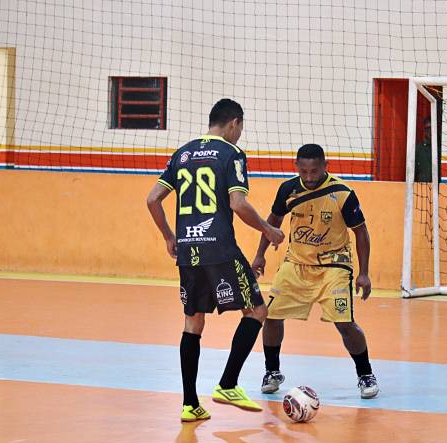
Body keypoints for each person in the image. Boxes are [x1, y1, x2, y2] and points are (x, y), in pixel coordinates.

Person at [146, 98, 285, 422]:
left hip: (189, 252)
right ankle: (227, 383)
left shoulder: (182, 153)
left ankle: (190, 404)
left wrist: (169, 236)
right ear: (234, 123)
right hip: (219, 248)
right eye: (241, 127)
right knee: (258, 310)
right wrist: (268, 229)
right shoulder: (231, 154)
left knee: (193, 322)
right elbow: (237, 203)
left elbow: (152, 199)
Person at [251, 144, 379, 399]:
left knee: (345, 323)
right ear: (297, 167)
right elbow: (272, 221)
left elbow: (361, 232)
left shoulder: (342, 193)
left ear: (325, 166)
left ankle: (365, 374)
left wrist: (363, 272)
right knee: (272, 316)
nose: (309, 177)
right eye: (305, 171)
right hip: (296, 264)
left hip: (334, 265)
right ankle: (272, 371)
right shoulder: (288, 189)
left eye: (315, 171)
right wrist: (259, 254)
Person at [414, 116, 433, 182]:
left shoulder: (441, 148)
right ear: (424, 130)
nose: (430, 131)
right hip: (422, 187)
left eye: (432, 128)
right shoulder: (419, 148)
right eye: (428, 129)